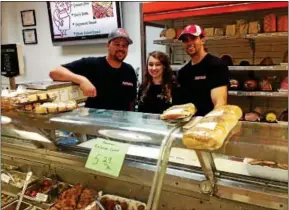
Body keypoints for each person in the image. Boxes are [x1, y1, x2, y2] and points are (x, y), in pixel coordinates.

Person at [49, 28, 137, 111]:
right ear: (108, 45)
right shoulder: (91, 64)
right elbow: (54, 72)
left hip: (121, 124)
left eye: (124, 45)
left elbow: (131, 102)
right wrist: (82, 80)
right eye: (117, 44)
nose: (121, 48)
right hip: (95, 124)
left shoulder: (129, 70)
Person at [176, 24, 229, 116]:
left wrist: (210, 124)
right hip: (187, 125)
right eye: (185, 40)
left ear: (202, 40)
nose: (189, 43)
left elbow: (220, 103)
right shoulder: (183, 72)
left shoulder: (216, 66)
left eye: (193, 38)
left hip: (209, 124)